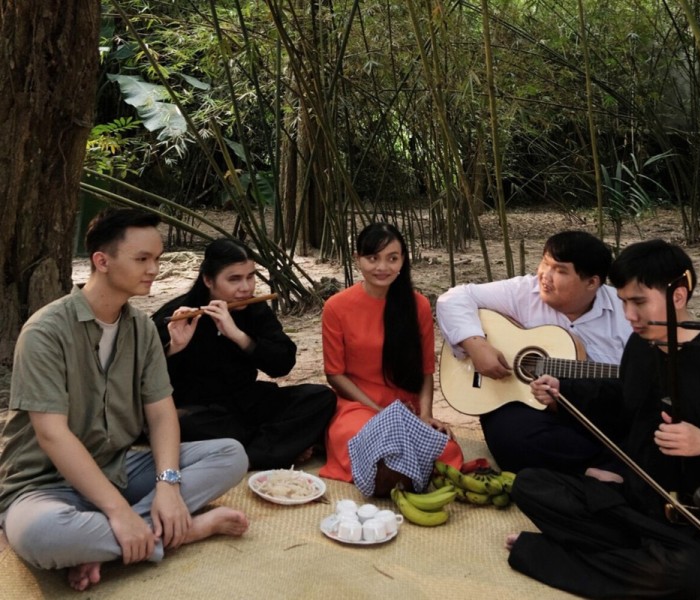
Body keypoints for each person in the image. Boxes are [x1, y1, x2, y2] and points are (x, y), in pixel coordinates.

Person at [507, 239, 700, 599]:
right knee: (530, 485)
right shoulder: (641, 346)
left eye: (639, 302)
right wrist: (564, 392)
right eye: (624, 302)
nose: (629, 315)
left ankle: (551, 556)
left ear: (678, 295)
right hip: (638, 500)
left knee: (690, 575)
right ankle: (636, 556)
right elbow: (624, 404)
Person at [0, 209, 249, 592]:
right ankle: (184, 530)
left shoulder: (142, 331)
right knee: (43, 536)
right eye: (142, 259)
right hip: (43, 484)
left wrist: (167, 485)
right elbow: (52, 435)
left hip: (118, 468)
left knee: (231, 454)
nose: (154, 270)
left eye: (158, 259)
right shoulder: (45, 332)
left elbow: (163, 414)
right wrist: (117, 511)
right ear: (102, 261)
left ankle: (119, 538)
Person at [437, 231, 632, 476]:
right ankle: (597, 468)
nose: (544, 276)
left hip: (595, 412)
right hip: (529, 407)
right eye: (545, 263)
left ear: (592, 283)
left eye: (559, 271)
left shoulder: (626, 311)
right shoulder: (524, 291)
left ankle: (590, 467)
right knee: (511, 434)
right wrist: (477, 345)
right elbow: (453, 299)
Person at [152, 239, 336, 470]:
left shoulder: (255, 309)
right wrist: (173, 349)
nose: (246, 288)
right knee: (180, 424)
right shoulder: (175, 315)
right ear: (208, 280)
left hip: (245, 400)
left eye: (251, 276)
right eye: (234, 279)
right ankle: (275, 448)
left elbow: (283, 364)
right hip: (199, 410)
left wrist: (239, 337)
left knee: (320, 397)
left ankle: (250, 454)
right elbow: (144, 383)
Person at [319, 223, 463, 493]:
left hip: (404, 407)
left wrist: (425, 415)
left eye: (392, 258)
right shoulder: (336, 307)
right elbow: (334, 374)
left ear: (403, 260)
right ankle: (396, 476)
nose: (382, 267)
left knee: (448, 448)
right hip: (358, 407)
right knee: (368, 442)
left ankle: (396, 476)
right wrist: (378, 411)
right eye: (373, 258)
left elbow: (425, 370)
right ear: (357, 258)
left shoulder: (416, 304)